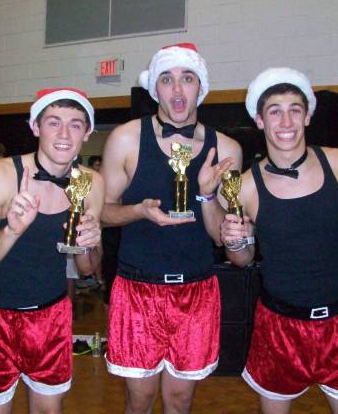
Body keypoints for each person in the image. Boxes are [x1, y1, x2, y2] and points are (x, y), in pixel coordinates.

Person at [220, 67, 338, 414]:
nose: (286, 120)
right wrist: (234, 242)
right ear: (260, 121)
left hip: (337, 324)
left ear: (307, 116)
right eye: (274, 111)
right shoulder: (245, 186)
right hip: (277, 326)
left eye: (295, 109)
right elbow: (244, 260)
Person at [101, 43, 242, 414]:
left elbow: (219, 234)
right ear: (155, 88)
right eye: (167, 79)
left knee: (180, 401)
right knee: (140, 399)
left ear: (202, 87)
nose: (178, 90)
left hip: (196, 290)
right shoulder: (126, 138)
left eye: (187, 79)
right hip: (137, 289)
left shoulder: (226, 148)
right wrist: (137, 212)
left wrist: (207, 197)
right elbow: (101, 212)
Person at [0, 87, 104, 412]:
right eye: (53, 122)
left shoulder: (90, 182)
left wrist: (87, 245)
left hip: (51, 318)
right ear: (35, 127)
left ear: (88, 133)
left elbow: (86, 268)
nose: (65, 134)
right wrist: (11, 230)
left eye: (76, 124)